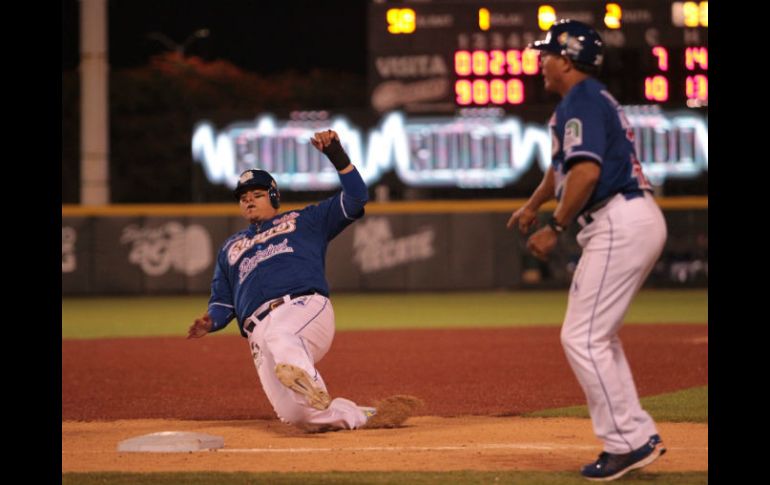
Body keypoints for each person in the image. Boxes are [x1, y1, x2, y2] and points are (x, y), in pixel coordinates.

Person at [507, 20, 668, 481]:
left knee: (583, 337)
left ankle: (627, 444)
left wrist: (555, 225)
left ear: (568, 58)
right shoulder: (582, 102)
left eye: (548, 52)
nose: (542, 59)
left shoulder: (581, 100)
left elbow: (585, 174)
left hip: (618, 218)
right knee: (597, 337)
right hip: (627, 217)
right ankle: (636, 434)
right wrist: (535, 203)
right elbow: (563, 169)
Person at [187, 130, 421, 432]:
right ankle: (364, 416)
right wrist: (211, 322)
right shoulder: (230, 248)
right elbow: (222, 300)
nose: (248, 201)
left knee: (282, 335)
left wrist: (337, 155)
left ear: (273, 196)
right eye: (244, 198)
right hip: (257, 334)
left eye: (256, 195)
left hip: (301, 306)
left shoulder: (304, 220)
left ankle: (308, 381)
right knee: (299, 416)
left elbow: (356, 197)